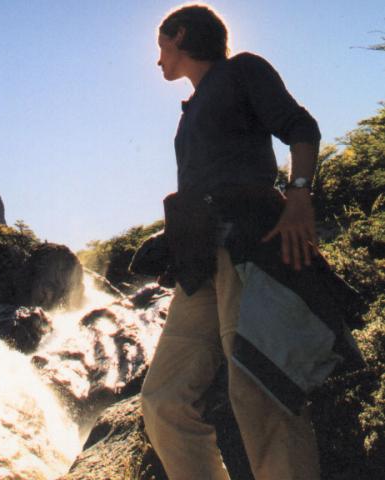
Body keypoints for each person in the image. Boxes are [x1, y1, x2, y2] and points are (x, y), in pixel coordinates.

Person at [138, 4, 326, 479]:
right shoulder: (192, 109)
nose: (158, 59)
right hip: (197, 259)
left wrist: (299, 198)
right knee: (162, 399)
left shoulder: (243, 70)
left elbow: (301, 128)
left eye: (161, 46)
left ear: (179, 35)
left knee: (259, 388)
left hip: (247, 245)